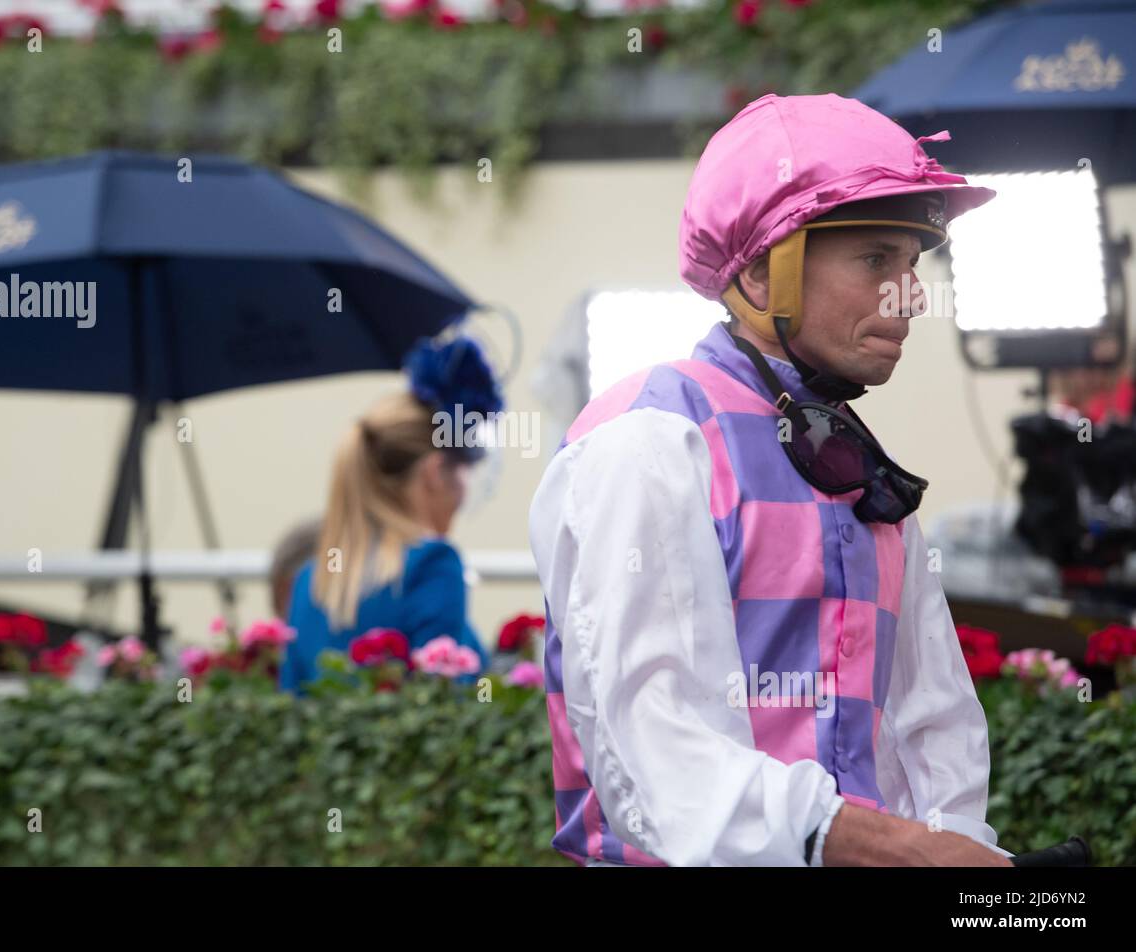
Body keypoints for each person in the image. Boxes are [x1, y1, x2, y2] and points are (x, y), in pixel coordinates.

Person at [529, 93, 1015, 867]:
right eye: (875, 260)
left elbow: (936, 730)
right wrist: (890, 848)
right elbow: (658, 761)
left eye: (913, 264)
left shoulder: (865, 470)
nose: (911, 295)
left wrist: (961, 859)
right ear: (760, 274)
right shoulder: (648, 438)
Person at [280, 337, 498, 693]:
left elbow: (290, 701)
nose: (464, 489)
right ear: (433, 472)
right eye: (463, 469)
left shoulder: (309, 579)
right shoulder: (432, 564)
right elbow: (444, 708)